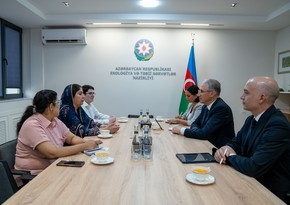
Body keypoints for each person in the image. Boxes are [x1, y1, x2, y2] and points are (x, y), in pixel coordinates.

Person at [214, 76, 290, 203]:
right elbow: (235, 142)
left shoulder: (277, 125)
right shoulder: (251, 119)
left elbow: (254, 167)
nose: (241, 96)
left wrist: (229, 155)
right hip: (249, 181)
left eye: (246, 92)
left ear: (261, 97)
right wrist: (226, 148)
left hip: (270, 193)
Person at [15, 90, 102, 175]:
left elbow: (71, 138)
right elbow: (52, 153)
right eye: (58, 102)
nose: (60, 105)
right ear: (51, 107)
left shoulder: (54, 120)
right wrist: (84, 146)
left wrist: (89, 143)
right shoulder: (32, 125)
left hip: (53, 167)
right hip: (34, 175)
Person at [172, 79, 235, 148]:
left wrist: (181, 130)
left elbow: (204, 134)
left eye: (201, 91)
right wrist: (199, 131)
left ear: (212, 94)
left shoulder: (221, 109)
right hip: (205, 143)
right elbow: (195, 123)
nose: (198, 94)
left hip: (219, 149)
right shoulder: (205, 106)